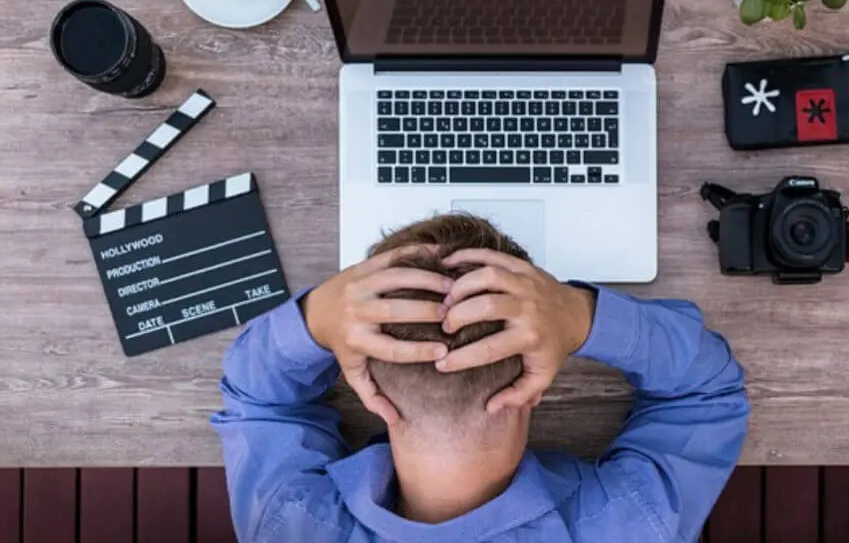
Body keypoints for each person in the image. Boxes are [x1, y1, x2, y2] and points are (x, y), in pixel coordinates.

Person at [212, 214, 749, 543]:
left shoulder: (289, 526)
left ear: (367, 387)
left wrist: (316, 320)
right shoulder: (633, 525)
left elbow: (258, 401)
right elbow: (707, 389)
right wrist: (580, 316)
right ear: (532, 389)